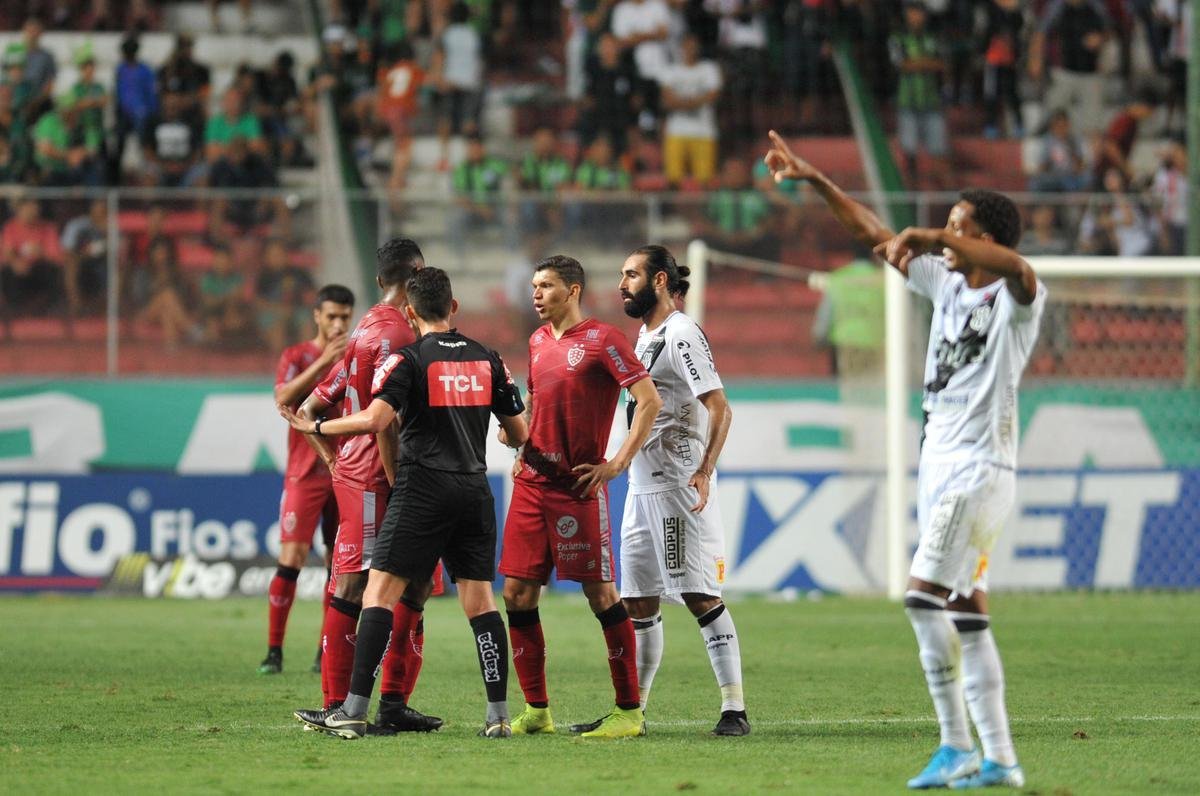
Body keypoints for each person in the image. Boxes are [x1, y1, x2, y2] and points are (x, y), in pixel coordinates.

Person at [765, 130, 1040, 789]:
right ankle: (1000, 758)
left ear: (985, 240)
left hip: (979, 468)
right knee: (968, 611)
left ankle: (955, 745)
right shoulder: (944, 286)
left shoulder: (1013, 299)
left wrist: (935, 236)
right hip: (940, 462)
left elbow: (1021, 271)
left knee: (922, 599)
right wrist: (816, 179)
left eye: (958, 227)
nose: (945, 237)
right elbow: (872, 235)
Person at [288, 267, 529, 739]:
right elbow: (518, 433)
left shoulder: (407, 359)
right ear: (454, 307)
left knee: (378, 594)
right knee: (480, 603)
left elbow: (376, 420)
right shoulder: (489, 359)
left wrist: (314, 429)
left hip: (421, 489)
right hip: (474, 491)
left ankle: (353, 710)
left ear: (410, 312)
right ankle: (498, 716)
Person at [574, 244, 749, 737]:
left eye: (630, 275)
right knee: (638, 602)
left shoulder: (681, 332)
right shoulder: (645, 334)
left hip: (675, 486)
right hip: (640, 488)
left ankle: (734, 709)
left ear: (657, 281)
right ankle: (634, 711)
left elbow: (719, 406)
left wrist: (705, 468)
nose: (621, 283)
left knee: (698, 594)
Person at [500, 255, 663, 739]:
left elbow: (649, 400)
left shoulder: (604, 341)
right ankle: (537, 710)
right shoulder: (534, 341)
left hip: (577, 488)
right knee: (516, 592)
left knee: (600, 594)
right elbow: (535, 400)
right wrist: (521, 440)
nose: (536, 294)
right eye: (533, 285)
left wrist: (617, 463)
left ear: (572, 291)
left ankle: (629, 712)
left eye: (546, 285)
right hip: (532, 482)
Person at [293, 238, 442, 734]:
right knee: (360, 585)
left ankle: (389, 706)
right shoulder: (398, 333)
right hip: (381, 479)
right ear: (418, 274)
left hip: (360, 474)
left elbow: (310, 408)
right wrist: (400, 482)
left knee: (408, 587)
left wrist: (332, 458)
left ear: (379, 280)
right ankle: (342, 705)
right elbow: (385, 422)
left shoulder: (365, 330)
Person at [257, 284, 355, 676]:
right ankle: (274, 651)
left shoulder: (357, 355)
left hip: (344, 471)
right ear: (316, 315)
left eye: (345, 317)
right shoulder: (297, 355)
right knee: (292, 557)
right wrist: (324, 362)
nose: (337, 323)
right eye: (331, 315)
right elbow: (282, 398)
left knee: (339, 565)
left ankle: (323, 652)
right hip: (305, 472)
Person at [889, 1, 948, 187]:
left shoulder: (934, 37)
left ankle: (944, 198)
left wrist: (916, 63)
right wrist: (926, 63)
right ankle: (911, 197)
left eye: (920, 12)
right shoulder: (898, 38)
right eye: (913, 12)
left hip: (932, 102)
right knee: (909, 154)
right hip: (907, 102)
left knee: (940, 152)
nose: (916, 16)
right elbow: (901, 65)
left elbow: (943, 63)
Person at [658, 33, 721, 186]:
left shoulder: (709, 69)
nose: (690, 49)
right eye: (687, 45)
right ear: (681, 48)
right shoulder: (671, 70)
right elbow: (666, 100)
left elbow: (713, 95)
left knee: (705, 181)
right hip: (676, 131)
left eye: (693, 45)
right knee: (673, 180)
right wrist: (696, 101)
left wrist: (681, 102)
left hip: (704, 131)